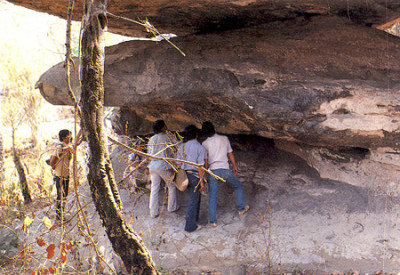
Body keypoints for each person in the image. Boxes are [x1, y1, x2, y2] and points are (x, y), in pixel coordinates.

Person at [201, 121, 249, 227]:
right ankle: (241, 209)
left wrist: (205, 173)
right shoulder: (224, 138)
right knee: (238, 186)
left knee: (212, 196)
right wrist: (235, 166)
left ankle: (213, 221)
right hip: (224, 170)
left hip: (213, 171)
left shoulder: (205, 143)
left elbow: (205, 160)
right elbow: (230, 153)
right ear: (214, 128)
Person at [177, 125, 207, 232]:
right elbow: (201, 167)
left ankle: (195, 220)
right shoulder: (200, 147)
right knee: (194, 200)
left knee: (194, 199)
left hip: (184, 175)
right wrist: (202, 182)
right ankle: (190, 226)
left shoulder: (182, 147)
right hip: (194, 176)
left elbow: (178, 165)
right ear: (196, 135)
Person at [147, 120, 179, 218]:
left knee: (154, 189)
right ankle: (172, 207)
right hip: (163, 165)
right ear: (162, 127)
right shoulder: (167, 137)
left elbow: (149, 154)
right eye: (165, 125)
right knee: (171, 185)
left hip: (152, 166)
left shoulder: (151, 139)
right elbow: (177, 145)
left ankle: (153, 212)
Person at [49, 129, 74, 221]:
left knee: (65, 195)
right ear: (64, 138)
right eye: (69, 137)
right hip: (60, 176)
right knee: (60, 195)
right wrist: (55, 167)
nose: (71, 138)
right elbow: (52, 161)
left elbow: (69, 159)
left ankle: (61, 214)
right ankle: (59, 216)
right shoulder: (60, 147)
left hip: (66, 175)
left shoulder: (67, 147)